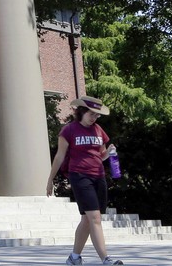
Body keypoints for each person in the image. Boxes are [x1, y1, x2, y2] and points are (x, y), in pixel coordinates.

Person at [47, 96, 125, 265]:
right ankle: (106, 259)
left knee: (87, 219)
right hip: (79, 176)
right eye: (92, 114)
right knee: (95, 218)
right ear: (81, 111)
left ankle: (74, 258)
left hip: (99, 176)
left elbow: (101, 155)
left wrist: (110, 152)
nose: (94, 118)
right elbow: (59, 157)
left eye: (97, 115)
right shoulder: (68, 130)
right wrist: (50, 179)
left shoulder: (99, 130)